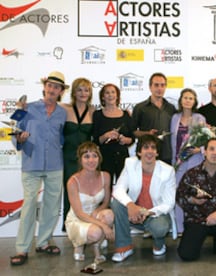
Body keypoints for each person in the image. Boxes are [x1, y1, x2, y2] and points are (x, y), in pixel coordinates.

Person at [10, 71, 68, 266]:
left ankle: (43, 242)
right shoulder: (27, 108)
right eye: (49, 85)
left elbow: (62, 137)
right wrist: (19, 138)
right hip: (31, 163)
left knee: (51, 207)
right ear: (44, 87)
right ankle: (22, 248)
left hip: (55, 164)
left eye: (56, 87)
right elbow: (15, 131)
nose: (52, 89)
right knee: (28, 206)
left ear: (61, 91)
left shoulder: (62, 112)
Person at [111, 134, 176, 262]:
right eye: (146, 147)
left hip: (154, 214)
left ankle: (159, 243)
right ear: (139, 152)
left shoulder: (168, 171)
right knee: (116, 204)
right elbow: (118, 189)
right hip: (134, 213)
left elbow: (169, 203)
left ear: (157, 153)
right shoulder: (130, 164)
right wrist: (131, 206)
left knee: (160, 227)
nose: (150, 151)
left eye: (153, 148)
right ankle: (124, 247)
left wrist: (147, 212)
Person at [176, 138, 216, 261]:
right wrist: (192, 200)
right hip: (196, 219)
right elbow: (179, 196)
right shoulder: (191, 174)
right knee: (187, 255)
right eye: (211, 149)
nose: (215, 153)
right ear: (204, 152)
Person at [65, 142, 114, 263]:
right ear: (80, 160)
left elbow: (106, 201)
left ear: (99, 158)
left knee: (109, 215)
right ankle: (78, 244)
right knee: (97, 232)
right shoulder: (72, 181)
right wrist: (104, 226)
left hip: (94, 214)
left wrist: (98, 210)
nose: (91, 160)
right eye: (86, 156)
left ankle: (97, 249)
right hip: (77, 218)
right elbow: (79, 213)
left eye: (94, 156)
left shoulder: (106, 176)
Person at [171, 88, 206, 234]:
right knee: (179, 194)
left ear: (194, 101)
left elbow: (206, 139)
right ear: (181, 100)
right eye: (185, 97)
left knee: (194, 194)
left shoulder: (199, 118)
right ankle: (179, 228)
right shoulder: (174, 118)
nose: (187, 100)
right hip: (179, 162)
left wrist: (200, 150)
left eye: (191, 98)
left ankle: (195, 227)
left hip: (195, 161)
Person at [61, 77, 94, 231]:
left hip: (87, 161)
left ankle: (86, 225)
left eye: (86, 90)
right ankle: (69, 227)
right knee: (70, 192)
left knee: (86, 193)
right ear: (73, 92)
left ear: (90, 93)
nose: (83, 93)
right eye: (79, 89)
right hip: (68, 158)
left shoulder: (93, 111)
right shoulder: (64, 109)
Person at [93, 83, 134, 186]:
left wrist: (124, 140)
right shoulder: (97, 115)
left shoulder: (126, 115)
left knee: (124, 189)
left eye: (113, 92)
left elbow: (132, 139)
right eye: (107, 93)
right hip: (104, 158)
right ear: (102, 97)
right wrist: (106, 135)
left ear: (117, 96)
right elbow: (95, 140)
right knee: (104, 189)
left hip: (122, 157)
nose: (110, 95)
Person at [131, 72, 176, 164]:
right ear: (150, 87)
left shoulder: (171, 108)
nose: (159, 88)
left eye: (162, 85)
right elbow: (132, 132)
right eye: (156, 85)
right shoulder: (140, 108)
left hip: (167, 154)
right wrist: (147, 134)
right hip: (147, 154)